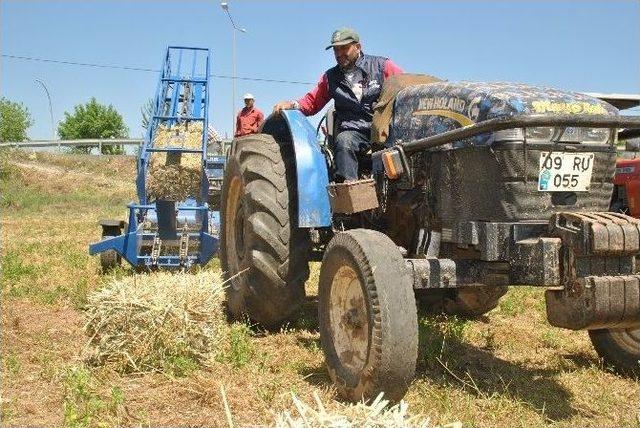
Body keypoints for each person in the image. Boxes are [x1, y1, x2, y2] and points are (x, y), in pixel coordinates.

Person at [273, 27, 403, 182]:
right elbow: (312, 102)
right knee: (344, 141)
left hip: (383, 129)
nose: (339, 54)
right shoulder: (330, 77)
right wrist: (292, 104)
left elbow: (404, 88)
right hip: (354, 131)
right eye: (336, 50)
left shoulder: (382, 66)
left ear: (358, 46)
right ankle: (352, 199)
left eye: (344, 48)